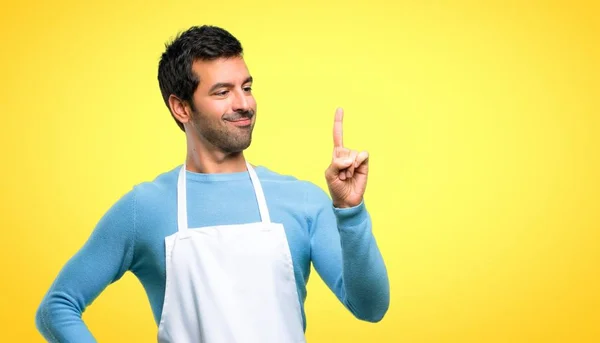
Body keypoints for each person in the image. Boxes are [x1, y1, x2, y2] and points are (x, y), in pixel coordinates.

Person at [35, 25, 390, 343]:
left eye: (246, 87)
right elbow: (57, 308)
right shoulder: (143, 209)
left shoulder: (301, 200)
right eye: (223, 92)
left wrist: (350, 212)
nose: (244, 104)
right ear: (182, 108)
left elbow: (370, 307)